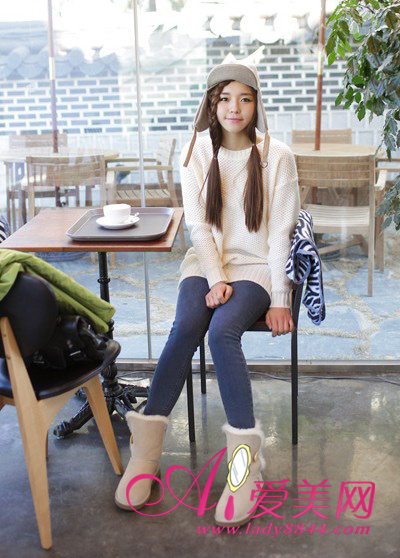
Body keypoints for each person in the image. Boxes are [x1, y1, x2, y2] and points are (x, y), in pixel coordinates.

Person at [115, 59, 300, 527]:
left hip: (255, 268)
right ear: (211, 104)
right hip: (205, 263)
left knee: (221, 334)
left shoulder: (277, 156)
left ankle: (245, 469)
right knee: (185, 328)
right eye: (224, 98)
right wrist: (216, 278)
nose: (234, 108)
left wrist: (280, 298)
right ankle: (146, 454)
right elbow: (198, 227)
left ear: (257, 105)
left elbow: (280, 233)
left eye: (245, 98)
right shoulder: (197, 151)